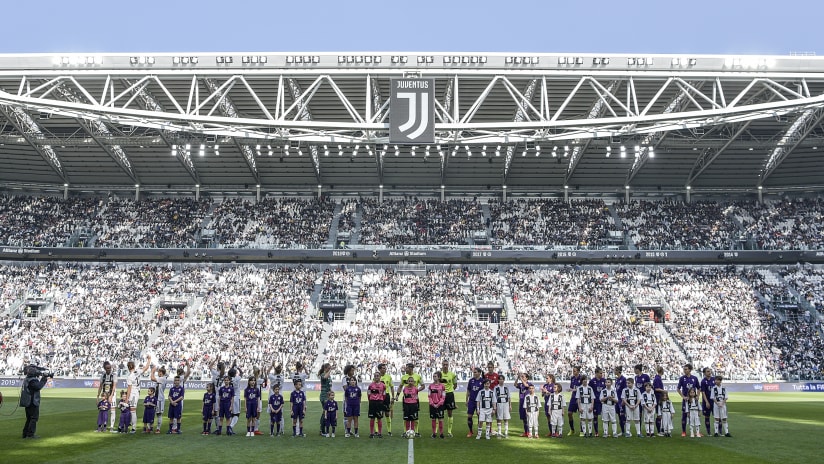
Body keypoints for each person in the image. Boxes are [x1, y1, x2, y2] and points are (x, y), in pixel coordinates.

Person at [125, 356, 152, 434]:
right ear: (133, 366)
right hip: (137, 391)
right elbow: (146, 368)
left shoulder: (130, 377)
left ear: (128, 368)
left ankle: (133, 428)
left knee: (133, 410)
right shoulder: (138, 371)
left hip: (133, 393)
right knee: (131, 410)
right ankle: (131, 424)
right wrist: (149, 360)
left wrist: (126, 399)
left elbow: (129, 389)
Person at [398, 363, 424, 437]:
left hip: (415, 399)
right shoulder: (403, 377)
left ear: (411, 368)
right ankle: (405, 432)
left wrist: (416, 391)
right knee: (406, 416)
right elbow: (400, 387)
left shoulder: (417, 376)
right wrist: (397, 395)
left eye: (407, 368)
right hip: (406, 399)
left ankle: (416, 431)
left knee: (415, 416)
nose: (405, 369)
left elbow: (423, 386)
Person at [677, 363, 700, 437]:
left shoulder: (694, 378)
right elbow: (678, 389)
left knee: (695, 415)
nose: (684, 370)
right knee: (684, 415)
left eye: (686, 369)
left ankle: (697, 431)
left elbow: (699, 388)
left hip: (694, 400)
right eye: (684, 369)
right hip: (686, 400)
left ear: (690, 370)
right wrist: (683, 396)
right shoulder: (682, 378)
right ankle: (684, 431)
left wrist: (698, 396)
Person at [97, 361, 117, 433]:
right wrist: (98, 396)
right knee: (103, 410)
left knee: (112, 410)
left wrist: (111, 396)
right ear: (104, 368)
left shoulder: (114, 375)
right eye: (107, 368)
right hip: (105, 395)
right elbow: (100, 386)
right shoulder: (103, 376)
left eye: (110, 368)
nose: (109, 369)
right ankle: (101, 426)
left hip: (112, 393)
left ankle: (111, 426)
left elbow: (114, 386)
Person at [465, 367, 485, 438]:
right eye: (474, 372)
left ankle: (479, 431)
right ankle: (470, 431)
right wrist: (466, 400)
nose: (474, 373)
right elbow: (468, 391)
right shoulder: (471, 380)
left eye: (475, 372)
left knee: (480, 416)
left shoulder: (483, 381)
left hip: (479, 402)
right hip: (471, 401)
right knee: (469, 416)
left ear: (479, 373)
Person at [440, 360, 458, 437]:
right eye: (444, 364)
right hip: (441, 395)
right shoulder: (439, 374)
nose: (445, 366)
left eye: (446, 364)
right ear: (442, 365)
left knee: (450, 413)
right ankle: (439, 431)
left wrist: (450, 391)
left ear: (448, 365)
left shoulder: (453, 375)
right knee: (440, 414)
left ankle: (449, 431)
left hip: (449, 395)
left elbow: (455, 385)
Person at [368, 371, 387, 438]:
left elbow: (384, 395)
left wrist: (381, 400)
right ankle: (371, 433)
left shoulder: (383, 385)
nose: (376, 377)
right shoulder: (371, 385)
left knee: (379, 418)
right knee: (372, 418)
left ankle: (379, 433)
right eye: (375, 376)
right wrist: (370, 400)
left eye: (377, 376)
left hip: (379, 403)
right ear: (374, 377)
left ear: (380, 377)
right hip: (372, 402)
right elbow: (369, 394)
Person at [515, 372, 533, 437]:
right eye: (521, 376)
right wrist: (517, 377)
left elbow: (526, 385)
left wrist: (520, 378)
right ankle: (526, 432)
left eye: (523, 376)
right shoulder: (520, 384)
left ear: (527, 378)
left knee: (528, 418)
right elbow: (515, 384)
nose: (522, 377)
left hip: (527, 403)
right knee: (523, 418)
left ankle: (529, 432)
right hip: (521, 402)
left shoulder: (529, 384)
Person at [576, 373, 595, 437]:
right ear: (582, 381)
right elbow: (578, 399)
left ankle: (590, 433)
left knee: (590, 419)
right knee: (583, 419)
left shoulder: (590, 388)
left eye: (586, 380)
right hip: (582, 405)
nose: (585, 381)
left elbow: (592, 398)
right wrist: (579, 408)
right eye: (584, 380)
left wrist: (592, 406)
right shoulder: (579, 388)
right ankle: (584, 433)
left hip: (589, 405)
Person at [588, 368, 606, 436]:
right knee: (595, 416)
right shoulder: (592, 381)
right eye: (600, 373)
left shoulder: (604, 381)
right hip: (595, 402)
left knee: (605, 417)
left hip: (603, 402)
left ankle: (605, 431)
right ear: (596, 373)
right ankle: (596, 432)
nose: (602, 374)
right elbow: (589, 391)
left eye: (602, 373)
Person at [428, 371, 446, 439]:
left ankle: (441, 433)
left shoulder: (442, 386)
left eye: (435, 376)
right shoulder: (430, 386)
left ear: (439, 377)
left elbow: (443, 396)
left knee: (440, 419)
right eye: (433, 376)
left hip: (440, 405)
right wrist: (432, 403)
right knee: (433, 419)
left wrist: (439, 404)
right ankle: (434, 433)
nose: (434, 377)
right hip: (432, 405)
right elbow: (429, 396)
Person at [378, 363, 394, 437]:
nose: (385, 369)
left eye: (385, 368)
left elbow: (392, 387)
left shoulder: (389, 377)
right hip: (378, 397)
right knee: (378, 414)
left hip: (386, 396)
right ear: (380, 369)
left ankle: (389, 431)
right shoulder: (377, 376)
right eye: (383, 368)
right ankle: (376, 431)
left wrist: (393, 397)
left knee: (387, 413)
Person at [493, 374, 511, 438]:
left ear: (504, 380)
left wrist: (510, 405)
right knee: (499, 418)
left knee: (506, 418)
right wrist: (495, 406)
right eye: (500, 379)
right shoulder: (496, 388)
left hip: (506, 404)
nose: (501, 380)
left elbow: (509, 397)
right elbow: (494, 397)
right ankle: (499, 433)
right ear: (498, 380)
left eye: (502, 379)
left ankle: (506, 433)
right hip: (499, 404)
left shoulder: (506, 387)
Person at [567, 366, 583, 436]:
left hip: (580, 398)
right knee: (569, 413)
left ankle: (582, 431)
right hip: (573, 398)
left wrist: (573, 390)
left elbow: (583, 388)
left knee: (581, 415)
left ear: (578, 371)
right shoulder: (572, 378)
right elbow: (572, 387)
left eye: (575, 371)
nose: (573, 372)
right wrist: (570, 389)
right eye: (573, 371)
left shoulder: (582, 378)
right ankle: (572, 429)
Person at [317, 362, 332, 434]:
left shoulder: (329, 376)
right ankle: (322, 429)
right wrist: (329, 371)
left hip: (328, 395)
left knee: (325, 411)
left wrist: (331, 392)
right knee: (325, 411)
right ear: (325, 368)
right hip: (324, 396)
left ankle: (322, 428)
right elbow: (324, 377)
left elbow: (330, 385)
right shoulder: (323, 374)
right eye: (328, 368)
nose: (330, 370)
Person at [700, 367, 715, 437]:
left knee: (717, 417)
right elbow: (703, 392)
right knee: (707, 417)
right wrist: (706, 402)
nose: (709, 372)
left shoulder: (714, 380)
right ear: (704, 373)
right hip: (707, 401)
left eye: (710, 371)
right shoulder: (703, 381)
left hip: (714, 402)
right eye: (708, 371)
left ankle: (718, 431)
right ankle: (708, 432)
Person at [613, 366, 627, 436]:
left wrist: (624, 400)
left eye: (615, 370)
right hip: (617, 400)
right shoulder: (617, 379)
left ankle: (627, 430)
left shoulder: (623, 379)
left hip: (622, 400)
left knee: (623, 416)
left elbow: (625, 390)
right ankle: (622, 431)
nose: (614, 371)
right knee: (619, 416)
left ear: (618, 371)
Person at [653, 366, 666, 435]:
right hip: (658, 398)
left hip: (659, 398)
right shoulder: (657, 379)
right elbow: (656, 388)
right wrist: (663, 391)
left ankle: (661, 429)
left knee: (660, 414)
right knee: (659, 414)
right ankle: (659, 431)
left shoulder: (658, 378)